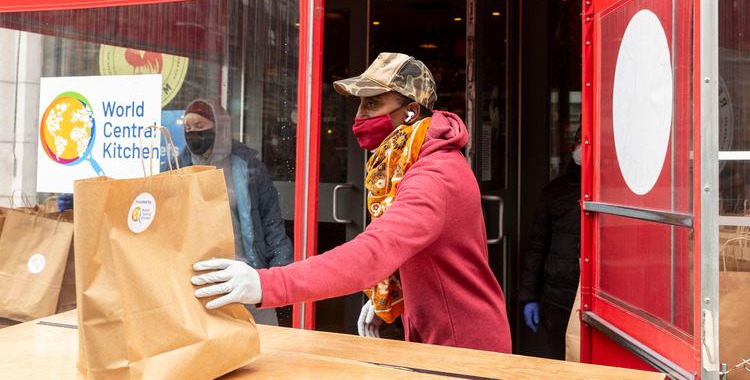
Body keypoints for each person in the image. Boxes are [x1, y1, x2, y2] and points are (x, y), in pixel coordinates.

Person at [191, 52, 512, 353]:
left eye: (372, 104)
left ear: (411, 112)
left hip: (464, 347)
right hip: (446, 337)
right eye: (359, 105)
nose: (359, 117)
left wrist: (265, 283)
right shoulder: (414, 160)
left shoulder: (433, 176)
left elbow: (375, 252)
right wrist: (400, 297)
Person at [170, 98, 293, 326]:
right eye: (187, 128)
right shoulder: (174, 169)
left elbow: (271, 223)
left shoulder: (248, 166)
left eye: (200, 127)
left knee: (265, 344)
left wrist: (279, 276)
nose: (193, 133)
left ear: (221, 127)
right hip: (197, 279)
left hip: (246, 274)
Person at [518, 126, 582, 360]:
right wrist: (530, 297)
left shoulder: (614, 193)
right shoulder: (554, 192)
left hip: (601, 304)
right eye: (578, 139)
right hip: (558, 300)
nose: (581, 145)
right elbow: (537, 247)